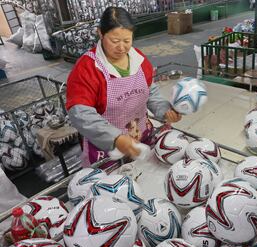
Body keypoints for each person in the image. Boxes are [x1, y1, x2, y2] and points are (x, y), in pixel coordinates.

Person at [66, 7, 181, 166]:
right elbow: (80, 114)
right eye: (115, 41)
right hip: (106, 151)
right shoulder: (87, 68)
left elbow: (150, 92)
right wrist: (116, 138)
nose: (122, 47)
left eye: (127, 40)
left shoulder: (138, 60)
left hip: (141, 140)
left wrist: (165, 111)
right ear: (100, 33)